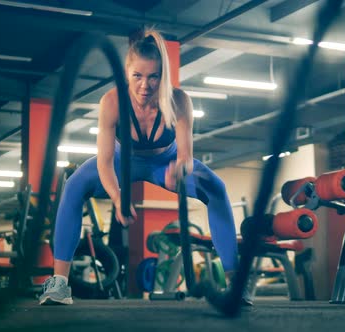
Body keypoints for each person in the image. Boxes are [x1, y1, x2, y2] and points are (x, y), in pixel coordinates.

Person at [39, 28, 251, 306]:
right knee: (74, 186)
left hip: (165, 161)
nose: (145, 85)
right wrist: (117, 197)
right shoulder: (112, 101)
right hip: (119, 160)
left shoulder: (179, 101)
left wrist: (180, 170)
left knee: (217, 189)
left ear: (162, 76)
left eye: (153, 77)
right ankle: (59, 284)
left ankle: (236, 283)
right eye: (137, 76)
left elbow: (186, 155)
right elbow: (103, 161)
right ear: (127, 72)